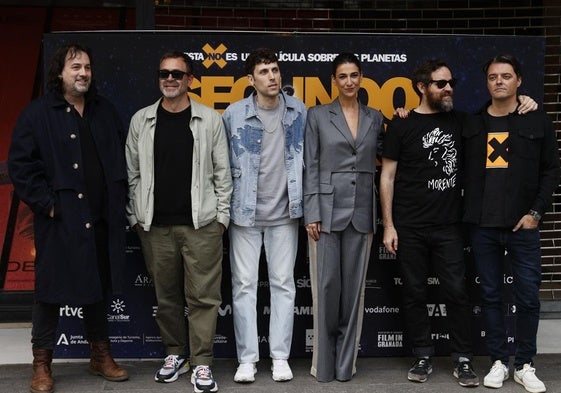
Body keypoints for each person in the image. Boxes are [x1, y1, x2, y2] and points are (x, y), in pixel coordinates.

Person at [8, 43, 129, 393]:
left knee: (96, 288)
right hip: (59, 221)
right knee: (49, 293)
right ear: (59, 72)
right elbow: (21, 165)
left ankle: (100, 355)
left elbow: (121, 158)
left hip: (101, 219)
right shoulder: (37, 114)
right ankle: (42, 364)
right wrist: (48, 205)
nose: (83, 73)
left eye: (87, 67)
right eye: (75, 67)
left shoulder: (103, 111)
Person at [126, 51, 231, 393]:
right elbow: (131, 175)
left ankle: (201, 363)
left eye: (176, 74)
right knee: (167, 297)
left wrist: (222, 219)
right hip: (155, 227)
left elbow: (223, 174)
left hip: (202, 226)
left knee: (203, 297)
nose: (169, 79)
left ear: (190, 79)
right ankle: (175, 354)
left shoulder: (209, 119)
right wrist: (136, 217)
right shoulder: (141, 120)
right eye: (163, 73)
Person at [462, 54, 560, 393]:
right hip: (483, 225)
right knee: (489, 295)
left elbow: (551, 171)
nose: (499, 81)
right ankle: (499, 362)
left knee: (528, 297)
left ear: (519, 80)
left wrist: (536, 212)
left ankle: (525, 364)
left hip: (524, 225)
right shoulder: (472, 124)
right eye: (492, 77)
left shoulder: (537, 121)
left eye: (506, 76)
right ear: (486, 83)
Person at [380, 59, 479, 387]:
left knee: (457, 293)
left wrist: (525, 101)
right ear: (422, 87)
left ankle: (463, 358)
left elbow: (498, 117)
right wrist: (389, 225)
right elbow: (388, 176)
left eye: (450, 82)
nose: (448, 88)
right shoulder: (401, 125)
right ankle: (422, 354)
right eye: (440, 83)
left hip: (449, 226)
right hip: (409, 226)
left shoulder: (462, 122)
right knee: (414, 293)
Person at [222, 48, 306, 383]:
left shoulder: (299, 111)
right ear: (250, 80)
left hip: (285, 213)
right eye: (264, 72)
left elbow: (309, 162)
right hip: (244, 213)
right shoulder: (233, 114)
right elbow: (222, 164)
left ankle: (280, 357)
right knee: (243, 286)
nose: (272, 76)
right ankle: (247, 359)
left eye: (275, 70)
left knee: (284, 285)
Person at [302, 53, 384, 382]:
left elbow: (387, 153)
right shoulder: (318, 115)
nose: (349, 81)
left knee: (354, 295)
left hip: (362, 212)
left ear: (361, 77)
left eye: (354, 75)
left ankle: (345, 365)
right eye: (342, 76)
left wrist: (405, 117)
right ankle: (323, 366)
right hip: (325, 213)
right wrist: (311, 211)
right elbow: (310, 164)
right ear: (333, 81)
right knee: (325, 289)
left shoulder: (375, 117)